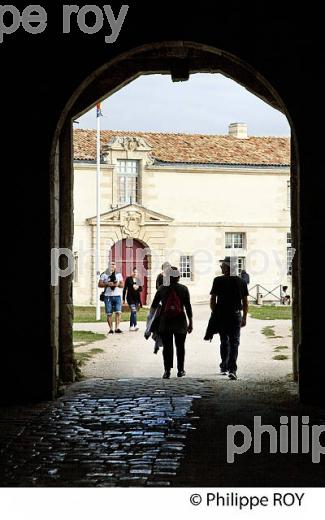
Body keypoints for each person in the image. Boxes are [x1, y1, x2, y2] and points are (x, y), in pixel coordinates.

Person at [150, 266, 193, 379]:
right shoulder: (183, 289)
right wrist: (191, 322)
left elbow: (154, 306)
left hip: (165, 321)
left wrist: (151, 321)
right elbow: (188, 307)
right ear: (178, 277)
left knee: (167, 347)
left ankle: (167, 371)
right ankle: (180, 370)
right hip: (180, 320)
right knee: (180, 346)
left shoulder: (162, 288)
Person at [210, 256, 248, 380]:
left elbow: (212, 299)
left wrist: (215, 313)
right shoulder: (241, 281)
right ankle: (232, 369)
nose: (221, 267)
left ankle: (224, 366)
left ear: (228, 267)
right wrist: (244, 317)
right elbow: (245, 302)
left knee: (224, 341)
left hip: (222, 315)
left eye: (223, 265)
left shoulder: (217, 280)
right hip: (235, 314)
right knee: (234, 342)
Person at [98, 261, 124, 334]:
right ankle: (111, 329)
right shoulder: (104, 274)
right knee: (109, 313)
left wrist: (117, 284)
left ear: (115, 266)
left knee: (118, 312)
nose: (112, 266)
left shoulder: (119, 274)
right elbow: (99, 284)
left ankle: (117, 328)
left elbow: (122, 285)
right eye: (111, 264)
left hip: (117, 295)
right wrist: (107, 284)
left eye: (114, 264)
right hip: (108, 296)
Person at [123, 267, 143, 331]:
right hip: (130, 298)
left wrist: (137, 288)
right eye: (134, 272)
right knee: (134, 311)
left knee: (133, 312)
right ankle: (136, 325)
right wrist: (123, 299)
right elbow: (125, 289)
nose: (135, 273)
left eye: (136, 272)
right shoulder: (128, 279)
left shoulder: (138, 280)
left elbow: (141, 289)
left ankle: (131, 326)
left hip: (136, 299)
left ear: (137, 273)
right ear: (132, 272)